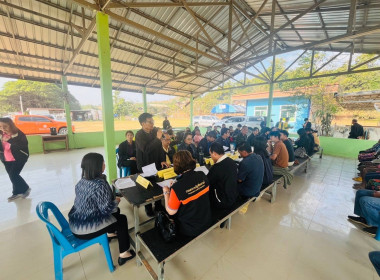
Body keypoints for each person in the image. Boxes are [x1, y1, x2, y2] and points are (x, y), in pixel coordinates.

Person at [68, 153, 135, 266]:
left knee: (117, 213)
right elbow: (108, 210)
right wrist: (117, 201)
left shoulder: (81, 182)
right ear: (97, 166)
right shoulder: (99, 185)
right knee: (121, 219)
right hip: (85, 228)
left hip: (75, 223)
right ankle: (124, 253)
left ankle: (110, 234)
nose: (104, 164)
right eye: (103, 163)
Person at [162, 151, 212, 237]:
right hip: (206, 220)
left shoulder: (177, 187)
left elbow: (171, 212)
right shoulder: (202, 174)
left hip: (190, 228)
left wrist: (166, 192)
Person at [135, 113, 169, 217]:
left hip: (156, 163)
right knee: (147, 187)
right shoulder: (139, 135)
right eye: (150, 122)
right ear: (142, 123)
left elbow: (159, 148)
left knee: (158, 184)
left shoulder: (155, 132)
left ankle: (158, 205)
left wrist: (163, 160)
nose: (152, 124)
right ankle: (148, 207)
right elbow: (146, 150)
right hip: (145, 165)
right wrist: (157, 139)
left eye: (153, 121)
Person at [0, 118, 31, 201]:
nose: (3, 129)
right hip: (6, 158)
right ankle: (16, 193)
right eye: (0, 127)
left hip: (19, 158)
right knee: (12, 176)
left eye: (5, 126)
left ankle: (25, 188)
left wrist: (9, 140)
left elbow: (22, 146)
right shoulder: (1, 133)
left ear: (10, 125)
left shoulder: (19, 134)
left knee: (13, 175)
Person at [207, 142, 238, 209]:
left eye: (210, 155)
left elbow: (207, 181)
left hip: (222, 202)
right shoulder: (232, 162)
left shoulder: (216, 168)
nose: (211, 157)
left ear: (214, 153)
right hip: (233, 196)